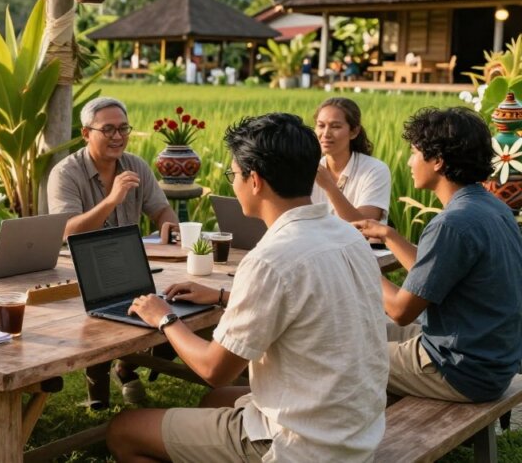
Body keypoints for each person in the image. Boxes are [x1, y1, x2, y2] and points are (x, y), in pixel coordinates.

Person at [108, 113, 387, 462]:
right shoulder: (348, 236)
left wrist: (164, 318)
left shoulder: (270, 259)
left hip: (301, 446)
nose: (233, 183)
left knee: (123, 429)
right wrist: (225, 297)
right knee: (215, 402)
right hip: (358, 431)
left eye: (234, 175)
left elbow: (215, 370)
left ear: (254, 181)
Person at [354, 107, 522, 403]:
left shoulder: (451, 223)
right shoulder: (491, 208)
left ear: (438, 161)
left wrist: (359, 263)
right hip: (491, 359)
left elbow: (401, 311)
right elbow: (436, 270)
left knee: (343, 358)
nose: (408, 161)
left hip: (459, 369)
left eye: (415, 152)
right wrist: (389, 235)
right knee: (363, 329)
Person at [48, 96, 179, 407]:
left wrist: (170, 229)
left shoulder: (136, 166)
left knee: (176, 303)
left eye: (123, 128)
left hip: (130, 264)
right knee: (106, 308)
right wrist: (112, 200)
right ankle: (100, 391)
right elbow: (67, 231)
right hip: (80, 268)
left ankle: (127, 366)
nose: (118, 137)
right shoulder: (65, 173)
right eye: (108, 130)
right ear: (85, 133)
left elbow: (162, 211)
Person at [312, 97, 392, 223]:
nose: (326, 133)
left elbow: (365, 224)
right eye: (321, 126)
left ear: (354, 132)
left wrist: (329, 186)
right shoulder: (310, 168)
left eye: (335, 126)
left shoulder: (375, 170)